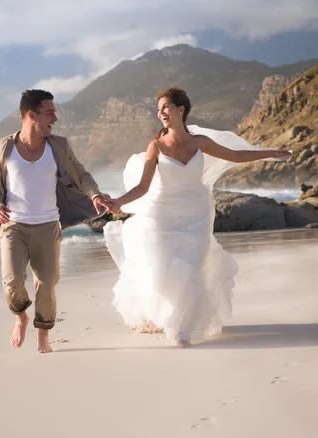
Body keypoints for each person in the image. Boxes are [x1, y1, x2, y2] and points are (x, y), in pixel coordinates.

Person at [104, 86, 291, 347]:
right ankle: (168, 317)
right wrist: (119, 202)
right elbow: (143, 187)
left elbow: (235, 156)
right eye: (158, 110)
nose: (161, 113)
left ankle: (181, 329)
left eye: (166, 107)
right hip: (162, 216)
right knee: (163, 270)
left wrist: (270, 153)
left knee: (192, 270)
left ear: (181, 109)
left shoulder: (200, 142)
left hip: (196, 215)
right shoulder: (155, 146)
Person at [0, 89, 111, 353]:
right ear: (32, 114)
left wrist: (95, 194)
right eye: (50, 113)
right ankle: (21, 317)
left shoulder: (59, 146)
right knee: (12, 280)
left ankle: (43, 337)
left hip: (48, 226)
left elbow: (81, 174)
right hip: (13, 226)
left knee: (47, 284)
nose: (56, 118)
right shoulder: (2, 147)